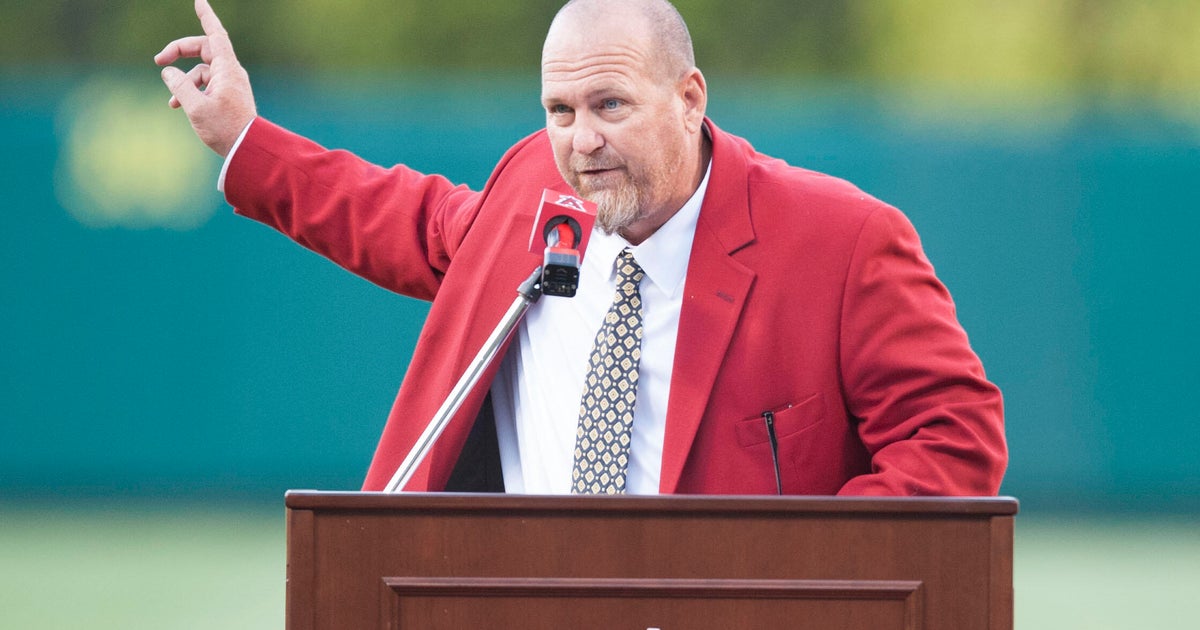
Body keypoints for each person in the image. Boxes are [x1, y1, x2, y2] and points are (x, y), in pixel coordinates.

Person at [156, 0, 1007, 495]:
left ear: (688, 97)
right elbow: (409, 220)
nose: (581, 141)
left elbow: (955, 437)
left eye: (610, 105)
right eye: (559, 111)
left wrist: (795, 572)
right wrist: (243, 137)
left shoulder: (845, 241)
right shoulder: (536, 186)